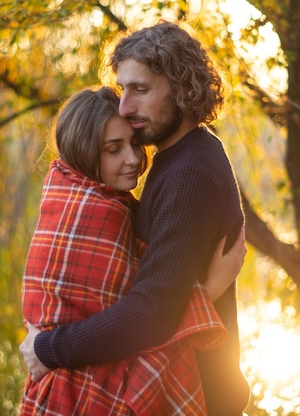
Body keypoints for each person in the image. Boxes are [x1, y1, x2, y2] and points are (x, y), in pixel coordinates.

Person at [20, 22, 250, 415]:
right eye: (123, 88)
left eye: (140, 90)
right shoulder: (179, 156)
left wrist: (49, 348)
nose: (125, 106)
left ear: (181, 88)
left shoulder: (189, 175)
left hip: (198, 392)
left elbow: (154, 312)